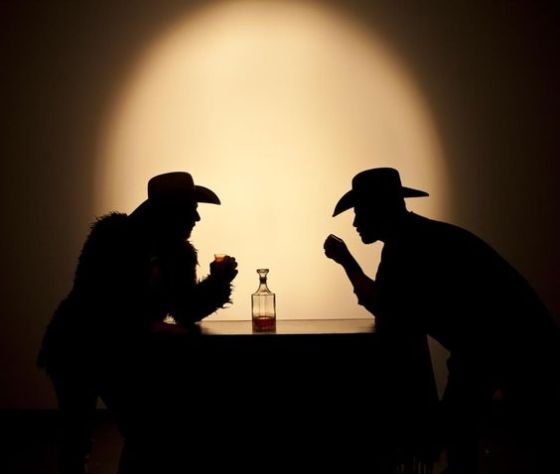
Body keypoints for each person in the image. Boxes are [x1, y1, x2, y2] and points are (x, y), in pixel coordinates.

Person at [323, 167, 560, 474]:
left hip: (514, 353)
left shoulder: (405, 248)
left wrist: (346, 261)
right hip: (509, 349)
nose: (355, 222)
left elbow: (386, 307)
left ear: (378, 209)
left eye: (359, 212)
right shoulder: (420, 237)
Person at [38, 171, 238, 473]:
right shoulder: (113, 236)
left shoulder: (179, 254)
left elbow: (186, 309)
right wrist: (147, 325)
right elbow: (100, 302)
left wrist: (218, 281)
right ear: (170, 212)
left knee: (143, 433)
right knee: (79, 438)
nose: (197, 218)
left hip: (119, 352)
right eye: (190, 209)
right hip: (76, 345)